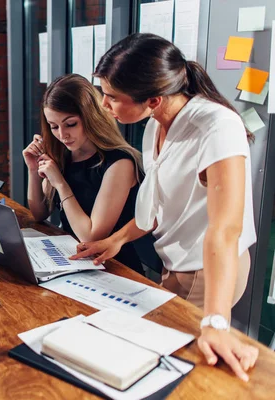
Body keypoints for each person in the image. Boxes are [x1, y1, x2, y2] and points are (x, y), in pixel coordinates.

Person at [71, 33, 259, 380]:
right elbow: (159, 206)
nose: (103, 106)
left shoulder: (217, 127)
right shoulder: (155, 124)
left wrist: (217, 321)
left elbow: (225, 229)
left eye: (112, 97)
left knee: (181, 370)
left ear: (153, 99)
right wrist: (116, 240)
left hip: (207, 269)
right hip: (175, 264)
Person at [23, 73, 144, 274]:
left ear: (91, 117)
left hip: (113, 267)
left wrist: (60, 183)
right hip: (73, 259)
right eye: (54, 127)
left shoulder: (120, 162)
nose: (62, 135)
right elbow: (39, 213)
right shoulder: (65, 155)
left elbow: (90, 236)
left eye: (70, 124)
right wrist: (33, 170)